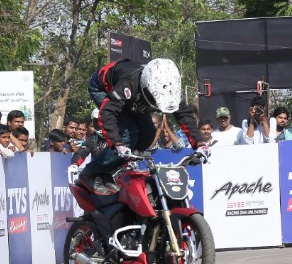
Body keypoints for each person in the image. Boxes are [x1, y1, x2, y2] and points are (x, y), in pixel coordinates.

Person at [78, 58, 204, 194]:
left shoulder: (170, 88)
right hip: (104, 89)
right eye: (154, 100)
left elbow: (185, 116)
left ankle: (106, 171)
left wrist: (199, 144)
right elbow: (107, 112)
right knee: (127, 136)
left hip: (132, 100)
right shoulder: (128, 84)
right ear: (146, 87)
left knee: (148, 133)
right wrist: (117, 144)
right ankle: (89, 173)